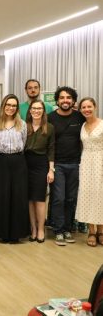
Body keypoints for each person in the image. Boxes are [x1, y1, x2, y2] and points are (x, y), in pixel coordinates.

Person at [48, 86, 85, 246]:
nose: (65, 100)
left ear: (73, 100)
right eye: (62, 97)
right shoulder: (50, 118)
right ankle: (58, 230)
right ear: (57, 100)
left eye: (68, 97)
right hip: (57, 165)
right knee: (58, 198)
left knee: (71, 199)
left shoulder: (80, 117)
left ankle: (68, 228)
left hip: (76, 164)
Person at [0, 94, 28, 243]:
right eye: (8, 105)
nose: (11, 108)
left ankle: (16, 234)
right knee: (2, 196)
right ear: (3, 106)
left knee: (18, 196)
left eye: (14, 105)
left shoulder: (23, 124)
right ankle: (3, 233)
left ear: (17, 108)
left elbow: (24, 143)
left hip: (18, 161)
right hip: (2, 161)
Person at [25, 99, 54, 243]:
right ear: (30, 111)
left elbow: (51, 150)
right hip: (25, 165)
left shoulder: (49, 127)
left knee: (40, 199)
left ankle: (41, 229)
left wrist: (51, 170)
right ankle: (33, 228)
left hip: (41, 165)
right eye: (34, 108)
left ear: (43, 111)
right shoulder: (24, 126)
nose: (36, 111)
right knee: (30, 199)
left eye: (39, 108)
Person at [76, 97, 103, 247]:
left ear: (95, 107)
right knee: (88, 194)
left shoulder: (102, 124)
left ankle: (101, 230)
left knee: (100, 195)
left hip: (101, 161)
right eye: (83, 107)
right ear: (80, 110)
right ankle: (91, 231)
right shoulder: (82, 126)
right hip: (86, 162)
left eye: (89, 106)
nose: (86, 109)